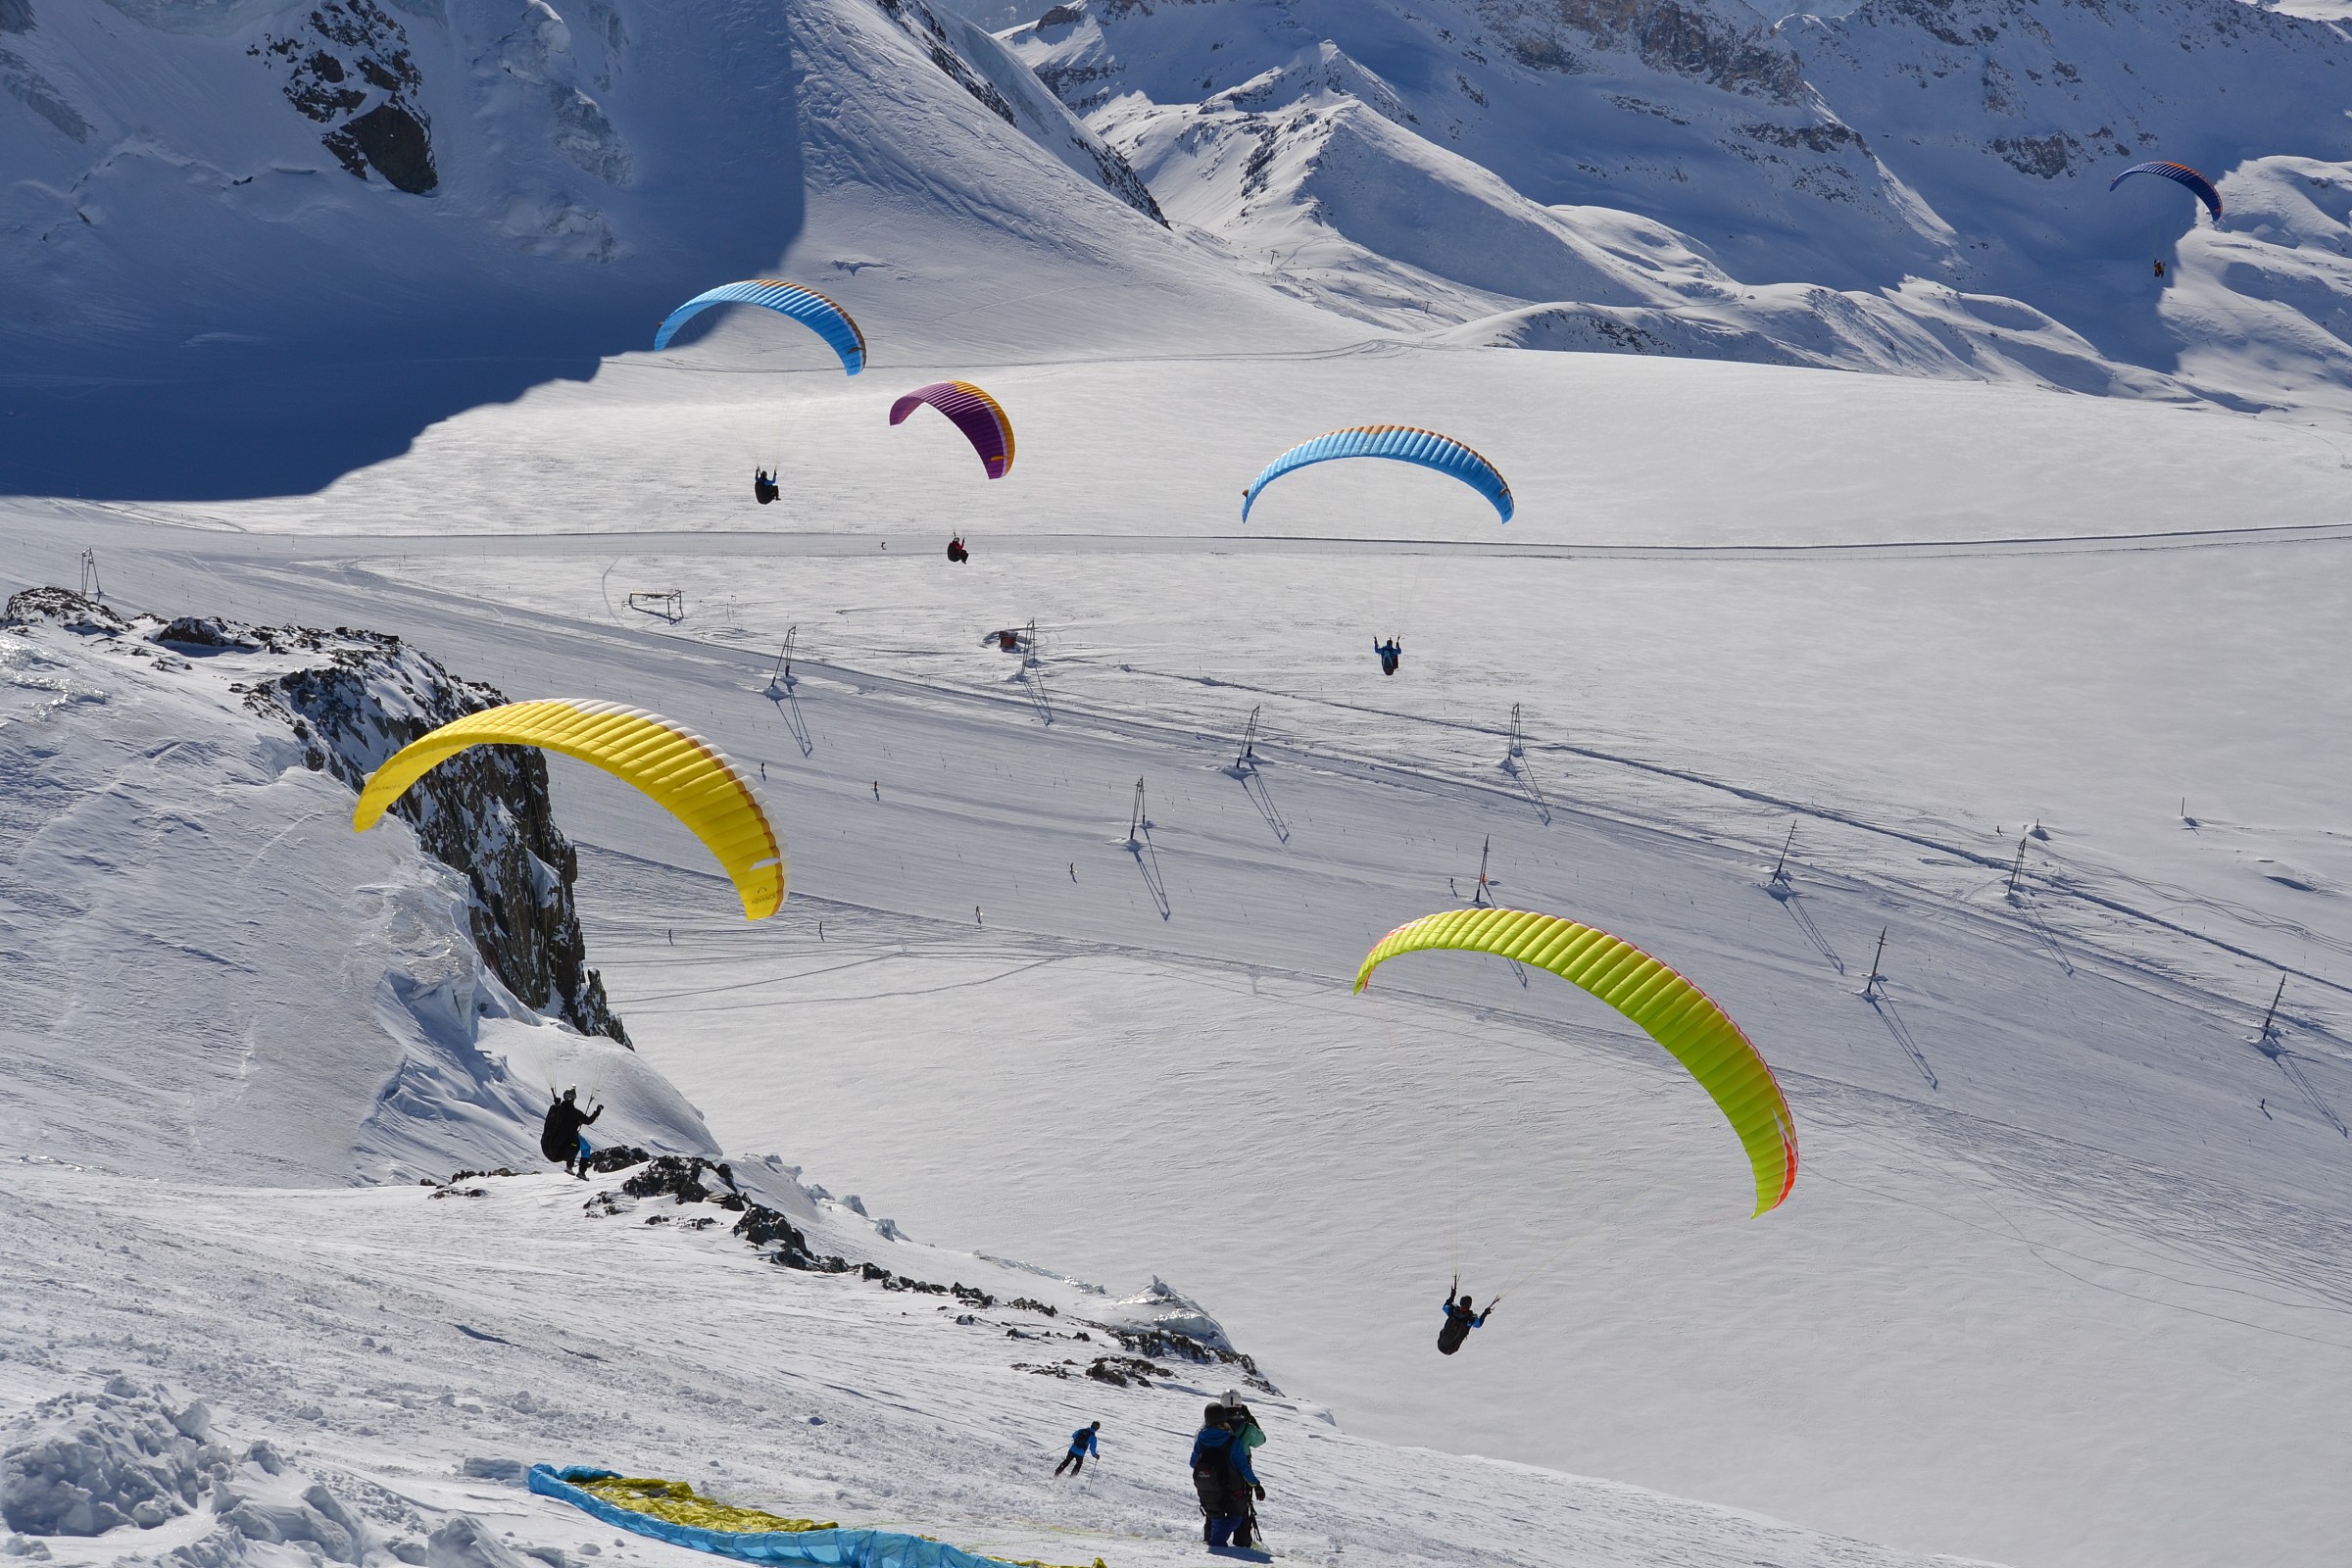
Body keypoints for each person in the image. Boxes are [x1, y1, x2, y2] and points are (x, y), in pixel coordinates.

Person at [1190, 1402, 1262, 1549]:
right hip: (1229, 1489)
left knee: (1215, 1515)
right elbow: (1243, 1468)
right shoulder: (1231, 1440)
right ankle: (1218, 1544)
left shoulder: (1201, 1439)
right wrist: (1256, 1485)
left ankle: (1212, 1540)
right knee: (1238, 1516)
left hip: (1206, 1488)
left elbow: (1193, 1463)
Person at [539, 1088, 603, 1180]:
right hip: (567, 1142)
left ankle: (569, 1167)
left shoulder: (555, 1108)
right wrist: (597, 1111)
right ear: (573, 1099)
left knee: (572, 1143)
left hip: (549, 1145)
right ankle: (581, 1172)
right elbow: (588, 1121)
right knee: (584, 1147)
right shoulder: (575, 1112)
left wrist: (556, 1105)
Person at [1438, 1276, 1491, 1355]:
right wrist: (1485, 1314)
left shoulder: (1452, 1311)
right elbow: (1478, 1324)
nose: (1463, 1308)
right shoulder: (1470, 1319)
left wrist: (1452, 1297)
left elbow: (1445, 1307)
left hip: (1441, 1345)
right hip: (1450, 1349)